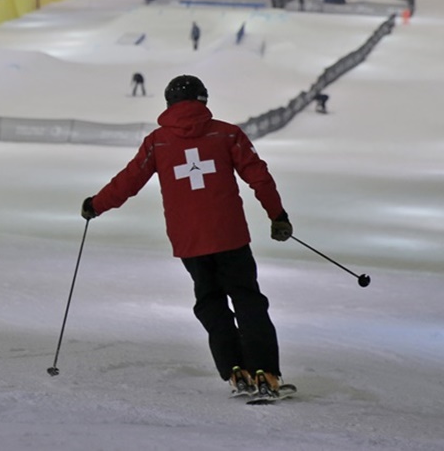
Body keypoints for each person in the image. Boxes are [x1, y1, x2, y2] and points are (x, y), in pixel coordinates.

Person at [81, 76, 293, 399]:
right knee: (247, 299)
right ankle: (265, 372)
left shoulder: (157, 142)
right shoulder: (227, 134)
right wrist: (277, 215)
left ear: (168, 104)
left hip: (189, 242)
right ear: (203, 100)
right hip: (230, 236)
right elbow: (259, 176)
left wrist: (96, 205)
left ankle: (235, 370)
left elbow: (128, 181)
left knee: (211, 303)